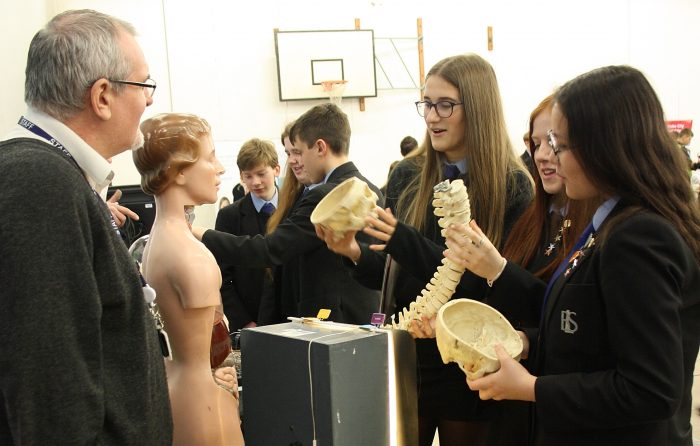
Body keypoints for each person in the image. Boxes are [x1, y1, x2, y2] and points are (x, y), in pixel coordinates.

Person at [465, 65, 700, 446]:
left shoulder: (639, 236)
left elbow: (650, 388)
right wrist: (528, 343)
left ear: (603, 147)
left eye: (560, 145)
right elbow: (595, 341)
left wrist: (533, 389)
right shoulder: (609, 223)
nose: (550, 159)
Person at [316, 53, 533, 446]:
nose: (431, 117)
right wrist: (353, 251)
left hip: (467, 366)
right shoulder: (407, 174)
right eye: (427, 104)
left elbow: (494, 287)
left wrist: (406, 241)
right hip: (409, 356)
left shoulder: (513, 187)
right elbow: (396, 274)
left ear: (478, 108)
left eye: (445, 105)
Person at [0, 9, 172, 444]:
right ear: (101, 96)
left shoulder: (53, 176)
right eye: (144, 85)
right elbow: (50, 389)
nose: (149, 100)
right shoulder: (39, 184)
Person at [411, 94, 599, 445]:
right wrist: (453, 328)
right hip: (519, 413)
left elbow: (576, 325)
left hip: (559, 414)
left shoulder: (611, 233)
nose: (543, 154)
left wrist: (497, 270)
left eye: (555, 142)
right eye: (536, 142)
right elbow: (517, 316)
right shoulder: (538, 219)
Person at [193, 103, 382, 325]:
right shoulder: (371, 188)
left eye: (299, 152)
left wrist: (198, 232)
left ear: (320, 148)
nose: (294, 161)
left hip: (335, 322)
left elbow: (269, 249)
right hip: (363, 314)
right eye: (290, 153)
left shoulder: (325, 194)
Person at [134, 113, 244, 446]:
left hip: (178, 389)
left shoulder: (156, 242)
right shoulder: (190, 255)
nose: (220, 168)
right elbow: (211, 348)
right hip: (201, 400)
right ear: (179, 171)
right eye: (210, 157)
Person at [215, 138, 280, 330]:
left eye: (261, 174)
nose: (255, 182)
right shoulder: (229, 216)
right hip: (251, 319)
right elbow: (222, 276)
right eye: (248, 176)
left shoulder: (295, 208)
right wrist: (243, 321)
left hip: (292, 317)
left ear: (276, 169)